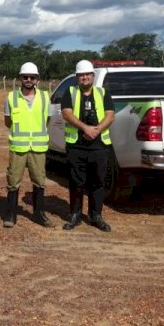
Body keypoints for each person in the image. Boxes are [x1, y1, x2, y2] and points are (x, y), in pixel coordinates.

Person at [61, 60, 115, 232]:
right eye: (81, 75)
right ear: (77, 77)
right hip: (76, 145)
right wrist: (85, 128)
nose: (84, 77)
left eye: (87, 74)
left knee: (98, 181)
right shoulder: (70, 92)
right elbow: (66, 113)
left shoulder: (103, 92)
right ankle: (75, 214)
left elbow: (110, 115)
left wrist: (96, 130)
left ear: (93, 76)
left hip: (98, 145)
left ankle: (95, 215)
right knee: (76, 182)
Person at [2, 62, 54, 228]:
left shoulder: (46, 97)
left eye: (32, 77)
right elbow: (7, 121)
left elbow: (48, 120)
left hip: (38, 147)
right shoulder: (11, 98)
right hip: (18, 147)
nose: (29, 80)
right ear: (20, 79)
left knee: (39, 180)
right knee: (13, 180)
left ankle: (39, 214)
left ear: (37, 79)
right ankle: (10, 214)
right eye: (25, 77)